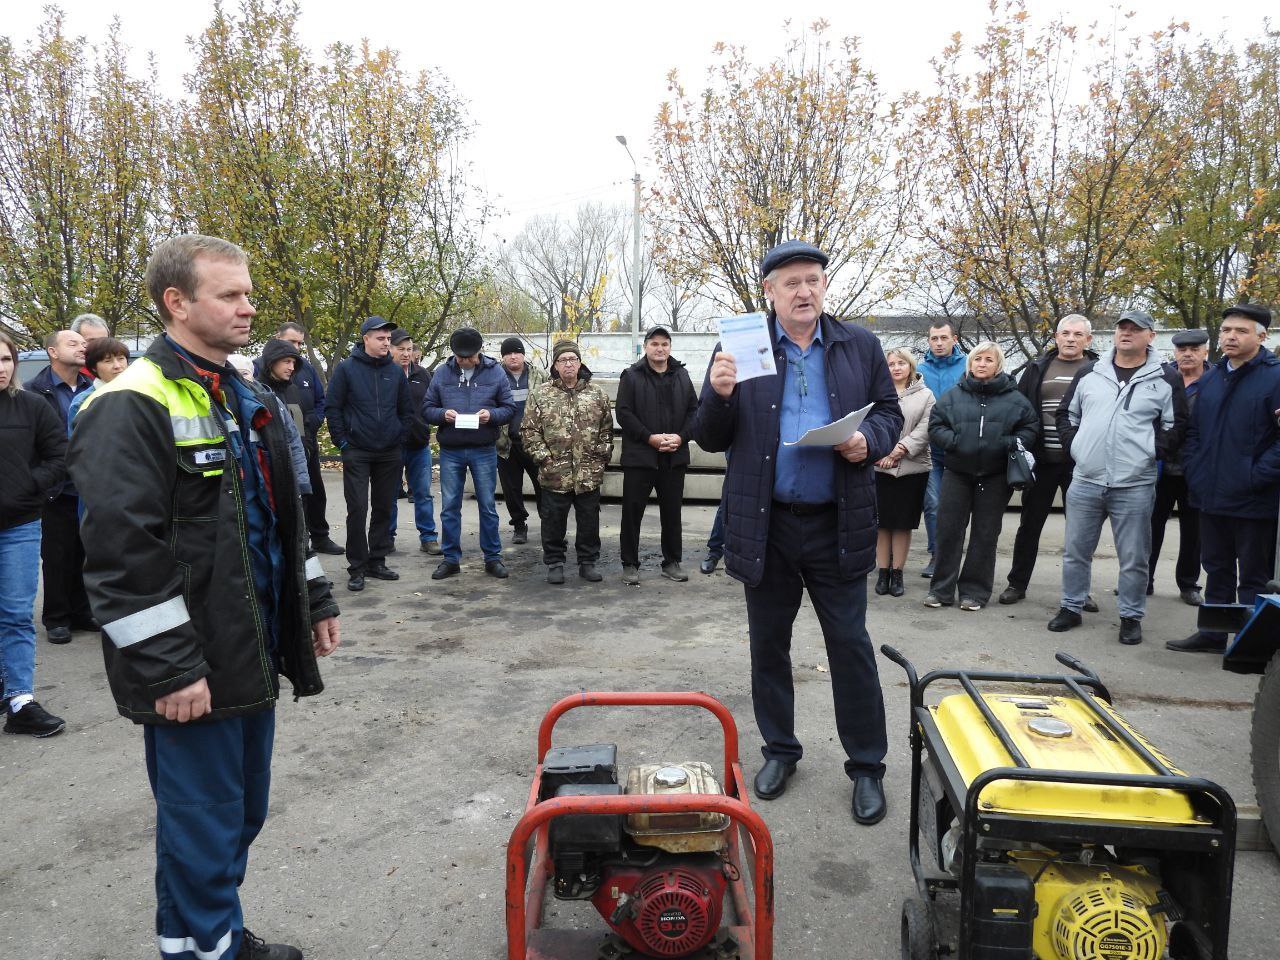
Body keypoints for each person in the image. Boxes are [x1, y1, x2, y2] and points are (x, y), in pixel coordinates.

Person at [67, 233, 341, 960]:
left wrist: (312, 601)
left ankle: (198, 936)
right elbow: (123, 555)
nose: (249, 307)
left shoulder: (244, 392)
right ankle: (209, 949)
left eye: (248, 292)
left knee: (236, 812)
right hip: (192, 662)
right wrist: (169, 665)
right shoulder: (128, 403)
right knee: (205, 818)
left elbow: (281, 517)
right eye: (230, 294)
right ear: (176, 303)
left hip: (245, 644)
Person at [693, 240, 903, 826]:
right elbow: (709, 436)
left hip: (839, 522)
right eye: (791, 283)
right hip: (768, 526)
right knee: (769, 648)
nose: (804, 291)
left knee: (851, 648)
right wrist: (718, 392)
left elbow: (888, 412)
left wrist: (870, 442)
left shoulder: (857, 344)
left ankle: (866, 767)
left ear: (823, 285)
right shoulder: (743, 344)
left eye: (813, 280)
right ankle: (780, 751)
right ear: (769, 291)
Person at [1050, 309, 1188, 645]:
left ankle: (1130, 616)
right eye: (1121, 328)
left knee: (1134, 556)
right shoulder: (1090, 373)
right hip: (1086, 478)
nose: (1126, 333)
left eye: (1135, 329)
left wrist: (1149, 452)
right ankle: (1072, 605)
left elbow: (1177, 424)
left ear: (1150, 336)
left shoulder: (1165, 378)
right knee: (1076, 550)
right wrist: (1077, 447)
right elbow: (1066, 414)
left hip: (1134, 483)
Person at [1169, 305, 1280, 653]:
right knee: (1215, 567)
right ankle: (1213, 634)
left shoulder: (1275, 377)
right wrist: (1196, 471)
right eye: (1226, 330)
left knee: (1252, 574)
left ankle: (1249, 643)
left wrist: (1256, 475)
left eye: (1241, 331)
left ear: (1262, 337)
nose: (1231, 336)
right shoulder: (1214, 377)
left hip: (1253, 495)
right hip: (1210, 492)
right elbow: (1195, 431)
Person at [924, 344, 1039, 611]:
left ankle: (974, 593)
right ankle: (940, 591)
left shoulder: (1015, 398)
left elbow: (1030, 427)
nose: (982, 363)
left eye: (989, 359)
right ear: (970, 363)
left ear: (998, 365)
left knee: (985, 535)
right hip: (958, 473)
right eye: (978, 358)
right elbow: (936, 425)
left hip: (995, 475)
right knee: (948, 531)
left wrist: (1009, 442)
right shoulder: (954, 396)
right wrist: (953, 442)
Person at [999, 315, 1098, 605]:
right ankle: (1017, 584)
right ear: (1056, 337)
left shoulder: (1099, 370)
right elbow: (1021, 408)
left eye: (1077, 334)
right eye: (1065, 333)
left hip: (1080, 463)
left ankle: (1080, 592)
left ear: (1088, 340)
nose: (1070, 339)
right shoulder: (1037, 368)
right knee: (1029, 525)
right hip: (1042, 460)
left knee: (1080, 531)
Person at [0, 331, 68, 737]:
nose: (1, 367)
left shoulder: (32, 407)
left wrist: (28, 485)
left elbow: (59, 455)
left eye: (6, 359)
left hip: (19, 527)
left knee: (15, 615)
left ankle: (21, 700)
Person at [325, 316, 414, 592]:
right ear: (366, 339)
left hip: (389, 452)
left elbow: (406, 410)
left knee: (384, 507)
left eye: (388, 338)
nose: (386, 343)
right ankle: (357, 566)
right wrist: (343, 442)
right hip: (357, 451)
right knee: (358, 509)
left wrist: (399, 437)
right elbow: (333, 408)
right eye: (380, 338)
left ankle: (377, 560)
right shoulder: (346, 369)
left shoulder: (395, 372)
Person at [423, 326, 515, 580]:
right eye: (460, 357)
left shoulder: (495, 372)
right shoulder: (442, 373)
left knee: (487, 505)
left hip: (483, 448)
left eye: (470, 357)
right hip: (451, 449)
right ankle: (450, 559)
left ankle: (493, 558)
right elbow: (427, 408)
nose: (465, 361)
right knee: (450, 507)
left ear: (479, 352)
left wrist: (491, 415)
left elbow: (508, 408)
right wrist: (443, 415)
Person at [522, 340, 615, 584]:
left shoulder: (597, 394)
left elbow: (606, 430)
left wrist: (600, 459)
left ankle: (587, 562)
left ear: (580, 362)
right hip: (555, 473)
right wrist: (544, 460)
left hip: (588, 473)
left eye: (573, 359)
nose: (569, 364)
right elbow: (529, 431)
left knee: (588, 519)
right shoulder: (541, 394)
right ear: (555, 365)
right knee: (553, 519)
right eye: (563, 360)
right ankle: (554, 562)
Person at [25, 328, 95, 644]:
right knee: (57, 555)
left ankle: (81, 612)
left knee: (85, 551)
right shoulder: (34, 391)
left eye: (84, 343)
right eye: (73, 343)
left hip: (88, 487)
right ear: (53, 351)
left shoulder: (91, 386)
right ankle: (56, 618)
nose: (82, 347)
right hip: (55, 489)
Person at [617, 326, 699, 585]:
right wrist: (649, 437)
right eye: (655, 344)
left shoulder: (682, 375)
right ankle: (630, 564)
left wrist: (681, 437)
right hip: (640, 456)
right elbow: (624, 413)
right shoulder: (631, 376)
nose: (660, 348)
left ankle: (671, 562)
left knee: (672, 513)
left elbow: (694, 412)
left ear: (670, 347)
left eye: (665, 344)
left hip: (674, 456)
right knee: (632, 513)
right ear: (646, 347)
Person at [267, 323, 342, 556]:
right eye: (291, 342)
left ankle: (319, 537)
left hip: (306, 441)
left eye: (300, 343)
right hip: (279, 448)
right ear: (277, 339)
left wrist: (312, 425)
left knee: (314, 492)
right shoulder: (261, 373)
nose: (296, 349)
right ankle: (296, 547)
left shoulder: (306, 369)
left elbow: (320, 401)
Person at [1149, 329, 1210, 606]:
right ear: (1174, 352)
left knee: (1193, 532)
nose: (1188, 353)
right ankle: (1143, 580)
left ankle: (1188, 584)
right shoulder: (1161, 377)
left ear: (1205, 352)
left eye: (1194, 349)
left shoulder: (1215, 381)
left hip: (1196, 469)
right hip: (1160, 466)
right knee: (1150, 527)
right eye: (1182, 349)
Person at [873, 348, 935, 598]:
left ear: (910, 366)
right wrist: (880, 453)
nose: (896, 368)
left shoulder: (926, 395)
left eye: (901, 363)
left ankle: (897, 572)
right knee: (881, 523)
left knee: (902, 524)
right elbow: (870, 423)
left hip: (912, 468)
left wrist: (899, 450)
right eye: (890, 364)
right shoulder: (876, 392)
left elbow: (926, 428)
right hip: (878, 466)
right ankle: (882, 572)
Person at [918, 321, 967, 578]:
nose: (938, 343)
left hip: (960, 448)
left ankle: (953, 556)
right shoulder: (919, 369)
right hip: (930, 449)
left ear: (954, 339)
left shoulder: (968, 365)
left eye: (943, 338)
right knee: (934, 503)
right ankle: (937, 555)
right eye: (934, 338)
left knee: (957, 506)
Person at [388, 329, 439, 555]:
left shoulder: (423, 374)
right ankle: (387, 538)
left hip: (419, 445)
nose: (406, 354)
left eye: (409, 349)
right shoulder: (383, 374)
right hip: (390, 446)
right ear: (390, 349)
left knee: (423, 493)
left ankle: (428, 537)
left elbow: (432, 403)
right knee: (388, 494)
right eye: (401, 349)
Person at [496, 337, 546, 544]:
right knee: (511, 488)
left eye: (517, 352)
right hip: (505, 443)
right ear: (503, 356)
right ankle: (519, 525)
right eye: (508, 353)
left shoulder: (539, 376)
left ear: (523, 354)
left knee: (543, 485)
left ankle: (549, 525)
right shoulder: (494, 376)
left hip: (534, 442)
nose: (513, 356)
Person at [257, 339, 313, 497]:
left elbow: (301, 425)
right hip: (274, 470)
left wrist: (307, 448)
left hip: (301, 465)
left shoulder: (293, 390)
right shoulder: (260, 393)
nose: (291, 367)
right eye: (286, 361)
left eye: (294, 362)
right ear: (271, 362)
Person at [68, 336, 132, 426]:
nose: (117, 366)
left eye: (121, 359)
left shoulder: (141, 391)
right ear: (94, 368)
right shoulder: (82, 402)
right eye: (108, 361)